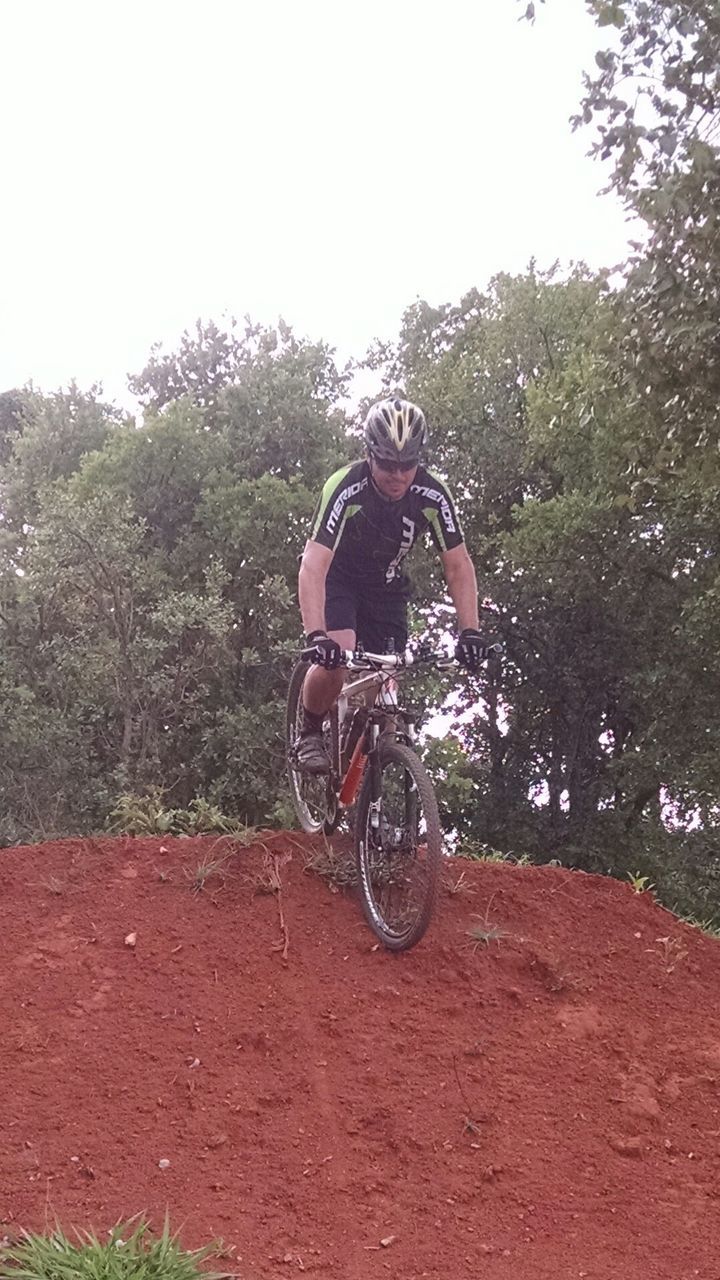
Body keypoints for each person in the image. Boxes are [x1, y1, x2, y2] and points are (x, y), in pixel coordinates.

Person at [295, 397, 490, 773]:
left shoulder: (433, 494)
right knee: (338, 657)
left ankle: (374, 800)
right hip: (339, 579)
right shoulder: (345, 487)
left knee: (387, 696)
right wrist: (316, 635)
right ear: (369, 454)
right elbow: (314, 564)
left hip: (386, 588)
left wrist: (471, 631)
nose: (398, 475)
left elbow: (458, 565)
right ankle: (309, 731)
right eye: (387, 464)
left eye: (408, 465)